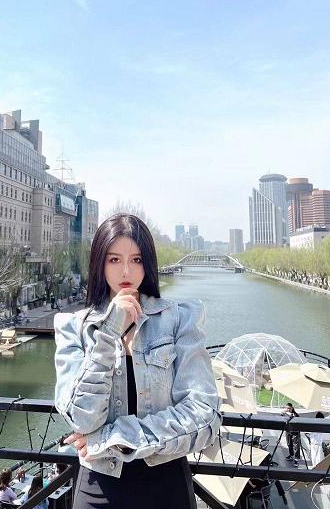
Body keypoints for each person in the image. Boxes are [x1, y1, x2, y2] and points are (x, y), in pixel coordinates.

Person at [54, 214, 221, 509]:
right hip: (98, 486)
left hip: (165, 482)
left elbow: (205, 414)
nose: (126, 271)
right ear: (99, 263)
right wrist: (108, 332)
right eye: (114, 260)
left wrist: (115, 437)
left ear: (149, 264)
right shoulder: (74, 327)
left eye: (136, 260)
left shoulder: (179, 319)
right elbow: (81, 419)